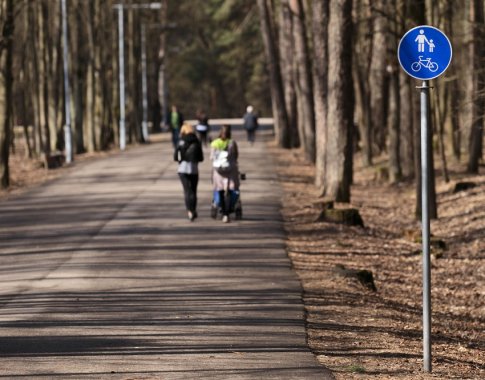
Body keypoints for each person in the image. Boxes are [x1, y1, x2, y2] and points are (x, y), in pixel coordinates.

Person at [174, 123, 204, 221]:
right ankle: (194, 209)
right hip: (194, 169)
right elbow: (201, 157)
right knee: (194, 191)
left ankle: (190, 212)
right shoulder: (197, 141)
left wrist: (181, 159)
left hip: (182, 169)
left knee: (187, 191)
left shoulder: (181, 142)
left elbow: (176, 156)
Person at [210, 125, 239, 223]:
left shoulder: (215, 143)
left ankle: (224, 213)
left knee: (220, 191)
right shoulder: (232, 143)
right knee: (230, 191)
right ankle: (228, 211)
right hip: (230, 171)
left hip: (218, 171)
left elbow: (211, 157)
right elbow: (236, 156)